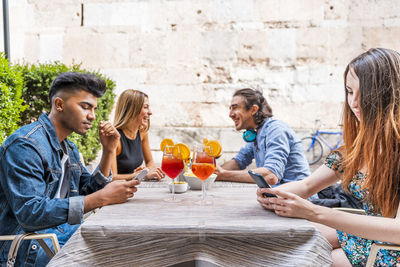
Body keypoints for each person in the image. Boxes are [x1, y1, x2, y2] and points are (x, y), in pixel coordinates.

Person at [257, 48, 400, 266]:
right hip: (367, 237)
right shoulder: (358, 148)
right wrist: (273, 195)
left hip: (390, 248)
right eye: (349, 91)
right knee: (284, 243)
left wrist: (314, 212)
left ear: (390, 94)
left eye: (365, 92)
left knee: (307, 260)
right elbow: (307, 185)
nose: (353, 102)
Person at [0, 72, 140, 267]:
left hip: (60, 235)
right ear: (59, 104)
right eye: (85, 107)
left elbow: (87, 191)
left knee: (130, 242)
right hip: (29, 246)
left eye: (94, 109)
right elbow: (30, 213)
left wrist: (108, 151)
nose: (92, 115)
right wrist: (100, 198)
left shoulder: (68, 147)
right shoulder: (25, 145)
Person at [215, 88, 310, 185]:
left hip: (300, 197)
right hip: (279, 197)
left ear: (253, 110)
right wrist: (211, 172)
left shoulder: (276, 130)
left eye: (235, 107)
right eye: (230, 109)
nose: (230, 114)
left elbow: (270, 176)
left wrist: (224, 174)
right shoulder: (257, 133)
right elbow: (239, 161)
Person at [111, 89, 164, 181]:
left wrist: (147, 170)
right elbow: (111, 178)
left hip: (134, 188)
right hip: (116, 191)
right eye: (146, 107)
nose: (150, 112)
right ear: (132, 110)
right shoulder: (115, 138)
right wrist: (140, 175)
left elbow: (149, 162)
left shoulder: (142, 134)